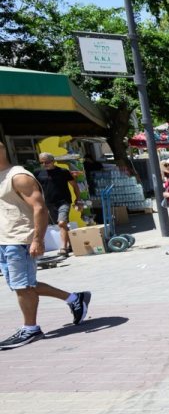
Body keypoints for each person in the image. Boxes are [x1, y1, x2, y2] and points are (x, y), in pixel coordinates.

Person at [0, 141, 90, 349]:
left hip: (20, 240)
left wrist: (38, 239)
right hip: (5, 239)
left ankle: (30, 329)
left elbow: (39, 207)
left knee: (23, 286)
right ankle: (75, 298)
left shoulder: (18, 176)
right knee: (23, 286)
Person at [34, 153, 81, 256]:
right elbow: (35, 189)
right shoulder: (37, 173)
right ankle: (71, 245)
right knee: (59, 225)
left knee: (62, 223)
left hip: (63, 201)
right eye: (42, 162)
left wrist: (78, 199)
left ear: (53, 161)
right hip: (48, 203)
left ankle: (63, 248)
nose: (44, 164)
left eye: (47, 162)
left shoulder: (63, 172)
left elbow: (75, 186)